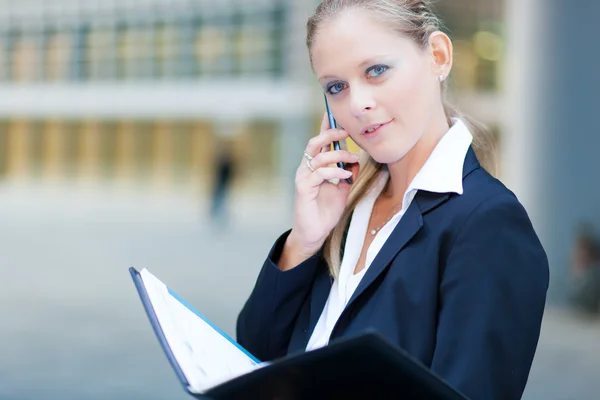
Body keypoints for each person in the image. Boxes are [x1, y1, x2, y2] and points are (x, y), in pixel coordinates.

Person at [237, 1, 549, 399]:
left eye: (377, 71)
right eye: (336, 87)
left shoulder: (488, 223)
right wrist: (305, 239)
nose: (357, 104)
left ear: (438, 56)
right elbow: (255, 349)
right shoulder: (345, 206)